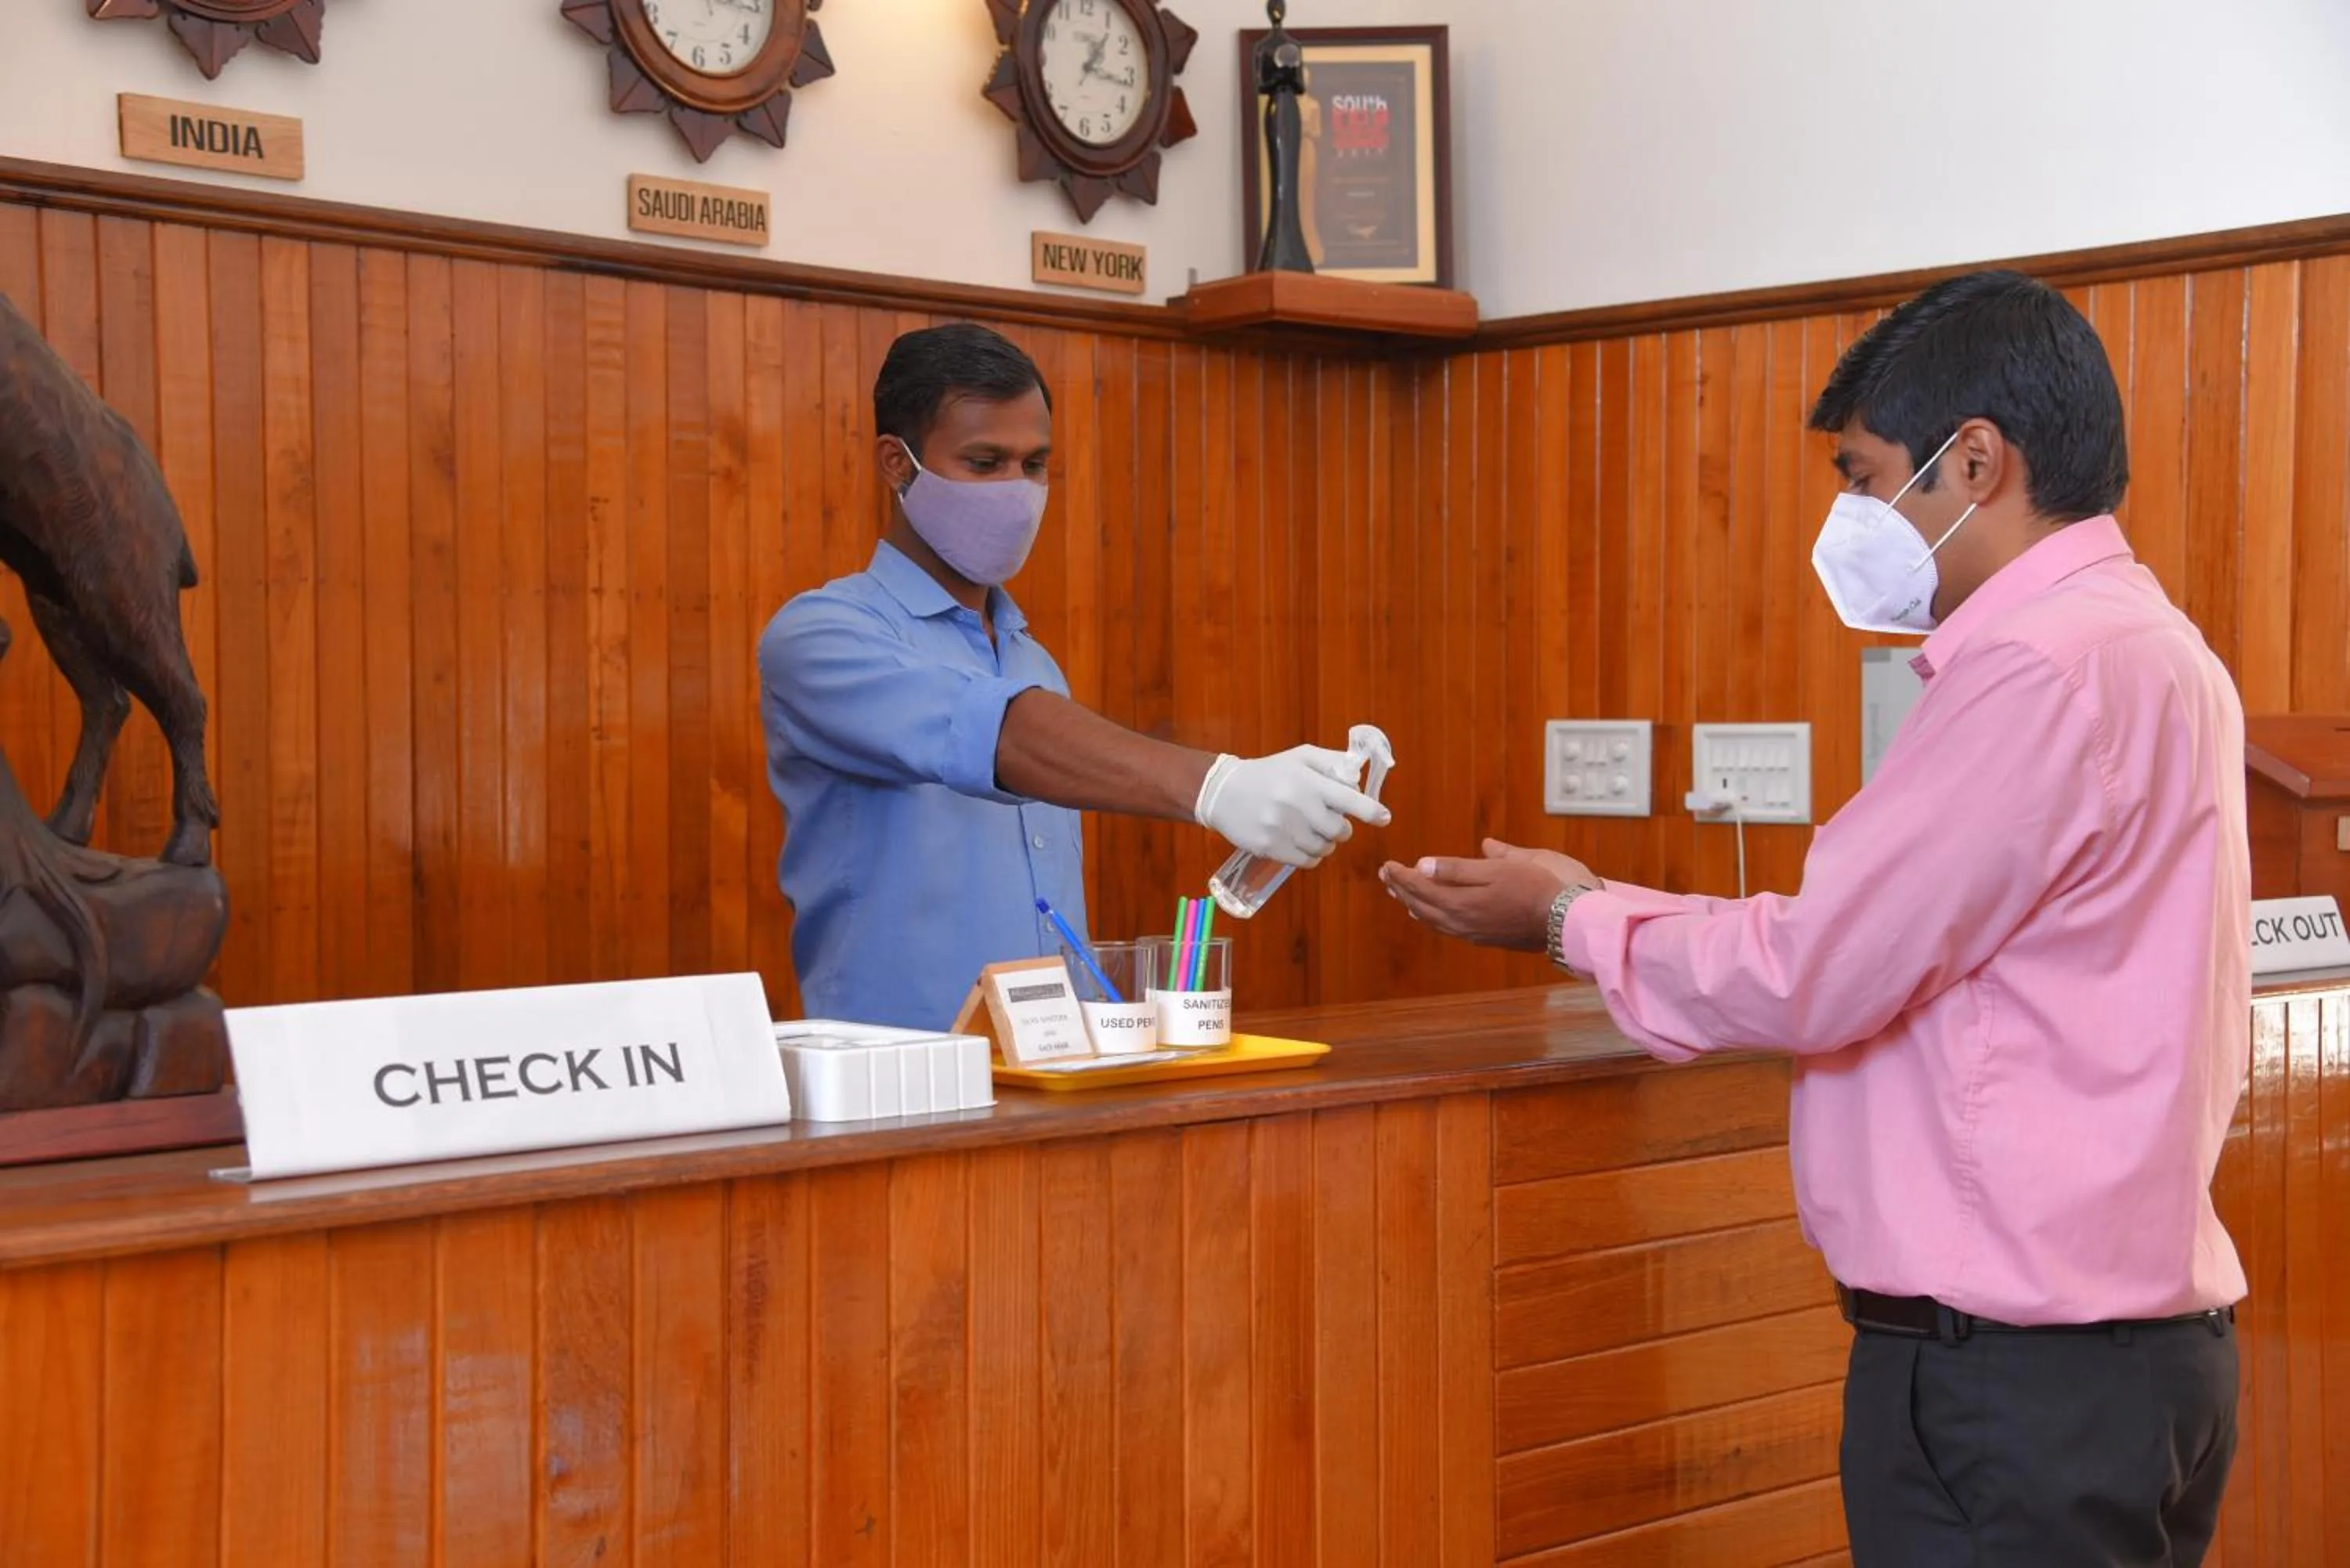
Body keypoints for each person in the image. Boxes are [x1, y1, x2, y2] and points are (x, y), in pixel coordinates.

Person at [1380, 271, 2247, 1567]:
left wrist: (1571, 918)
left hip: (2010, 1380)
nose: (1846, 514)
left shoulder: (2035, 668)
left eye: (1863, 476)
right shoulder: (2156, 645)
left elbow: (1822, 971)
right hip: (2136, 1366)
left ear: (1973, 461)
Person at [758, 322, 1386, 1030]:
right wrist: (1218, 785)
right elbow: (997, 733)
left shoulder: (1032, 659)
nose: (1016, 490)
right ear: (896, 464)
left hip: (1051, 1069)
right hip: (897, 1072)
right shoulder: (821, 637)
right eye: (984, 461)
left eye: (1034, 466)